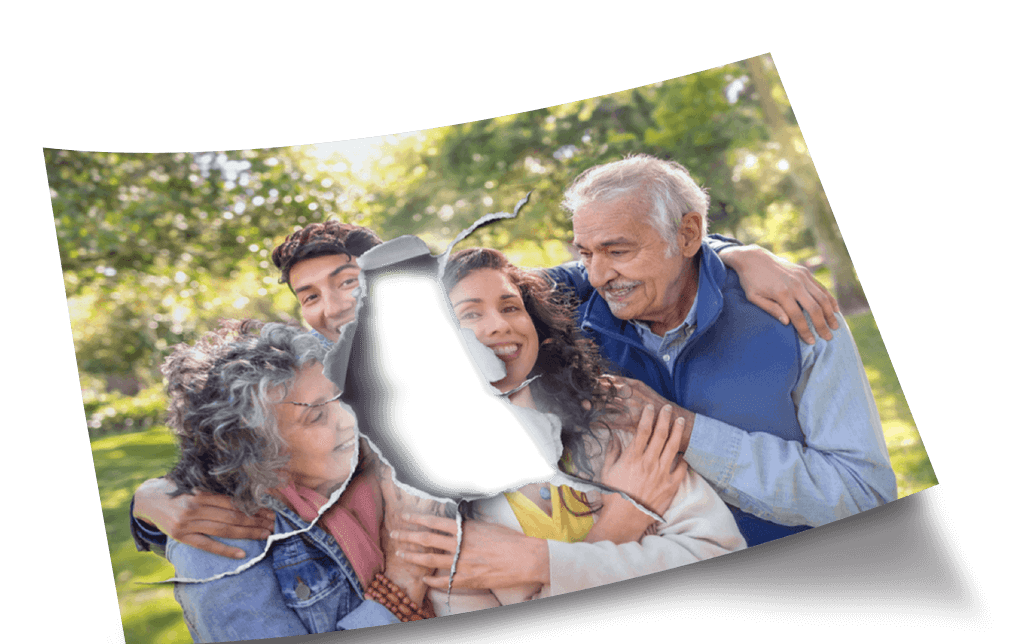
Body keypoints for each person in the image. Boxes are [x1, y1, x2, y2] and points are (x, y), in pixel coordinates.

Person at [130, 215, 838, 561]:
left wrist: (737, 253)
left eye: (347, 282)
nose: (331, 305)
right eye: (308, 295)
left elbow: (618, 257)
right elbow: (222, 457)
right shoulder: (314, 379)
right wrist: (149, 502)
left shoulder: (483, 314)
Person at [541, 154, 896, 547]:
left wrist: (687, 432)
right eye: (585, 253)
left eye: (618, 251)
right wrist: (734, 250)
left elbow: (864, 494)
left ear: (688, 235)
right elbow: (487, 284)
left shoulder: (794, 311)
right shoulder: (570, 334)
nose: (598, 276)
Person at [390, 248, 746, 612]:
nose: (500, 324)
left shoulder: (617, 424)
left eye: (511, 307)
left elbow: (718, 550)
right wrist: (619, 523)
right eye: (469, 313)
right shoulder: (434, 503)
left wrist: (541, 564)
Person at [158, 319, 430, 642]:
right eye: (316, 416)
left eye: (340, 398)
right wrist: (400, 585)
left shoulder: (373, 469)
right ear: (258, 449)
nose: (346, 419)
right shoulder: (221, 541)